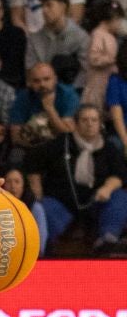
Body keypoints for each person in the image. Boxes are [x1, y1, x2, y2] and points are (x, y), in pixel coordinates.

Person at [27, 104, 127, 254]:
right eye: (85, 120)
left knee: (120, 197)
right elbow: (32, 161)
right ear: (76, 123)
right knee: (43, 208)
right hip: (61, 201)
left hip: (96, 201)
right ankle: (43, 251)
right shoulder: (61, 143)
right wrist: (37, 189)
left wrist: (107, 188)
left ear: (100, 124)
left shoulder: (109, 147)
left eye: (94, 120)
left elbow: (119, 175)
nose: (89, 124)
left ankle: (107, 240)